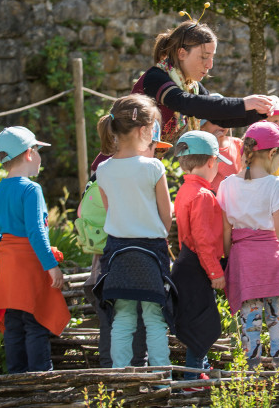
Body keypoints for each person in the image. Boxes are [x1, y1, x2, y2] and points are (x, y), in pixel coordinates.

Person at [91, 15, 273, 170]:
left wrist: (259, 114)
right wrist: (243, 103)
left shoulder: (191, 86)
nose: (210, 65)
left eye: (212, 57)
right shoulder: (155, 77)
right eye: (204, 57)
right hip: (114, 167)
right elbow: (184, 102)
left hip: (143, 166)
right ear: (181, 53)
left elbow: (219, 116)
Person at [93, 94, 176, 370]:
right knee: (155, 318)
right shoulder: (153, 167)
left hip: (117, 252)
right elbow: (167, 217)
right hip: (151, 252)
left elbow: (109, 210)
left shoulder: (102, 170)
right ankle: (161, 374)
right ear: (144, 130)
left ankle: (119, 375)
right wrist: (157, 230)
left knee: (123, 318)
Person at [0, 126, 70, 373]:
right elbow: (36, 233)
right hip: (31, 264)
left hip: (9, 266)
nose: (40, 156)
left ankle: (16, 376)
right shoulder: (31, 189)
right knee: (34, 321)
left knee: (14, 323)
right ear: (29, 153)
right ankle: (40, 377)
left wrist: (10, 251)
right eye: (38, 150)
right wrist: (51, 265)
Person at [218, 121, 279, 370]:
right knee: (277, 322)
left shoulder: (227, 184)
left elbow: (226, 231)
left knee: (249, 324)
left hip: (244, 262)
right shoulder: (278, 184)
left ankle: (251, 378)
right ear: (272, 154)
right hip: (273, 262)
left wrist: (231, 261)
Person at [170, 130, 232, 381]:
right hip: (197, 265)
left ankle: (200, 372)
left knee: (198, 318)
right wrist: (215, 272)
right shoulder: (204, 196)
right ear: (210, 162)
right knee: (201, 323)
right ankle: (193, 379)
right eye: (218, 162)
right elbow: (203, 240)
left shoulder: (185, 190)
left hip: (186, 262)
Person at [199, 108, 243, 193]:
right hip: (215, 200)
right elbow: (202, 173)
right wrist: (212, 145)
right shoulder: (201, 148)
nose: (221, 123)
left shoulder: (237, 143)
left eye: (225, 119)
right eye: (215, 120)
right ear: (202, 126)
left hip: (236, 197)